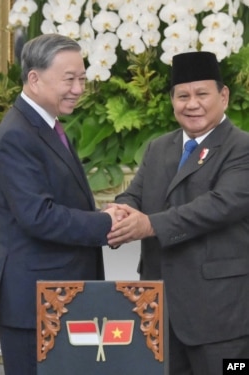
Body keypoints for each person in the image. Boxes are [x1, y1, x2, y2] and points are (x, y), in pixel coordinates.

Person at [108, 51, 249, 375]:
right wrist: (118, 212)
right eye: (183, 95)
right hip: (160, 311)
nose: (192, 104)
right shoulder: (159, 147)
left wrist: (148, 225)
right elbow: (135, 194)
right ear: (172, 100)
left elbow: (218, 206)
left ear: (223, 96)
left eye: (202, 94)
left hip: (222, 318)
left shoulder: (241, 147)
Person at [0, 34, 123, 375]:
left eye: (82, 79)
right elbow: (38, 216)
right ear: (34, 78)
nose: (79, 88)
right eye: (69, 79)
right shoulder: (17, 135)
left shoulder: (45, 125)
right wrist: (105, 224)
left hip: (58, 298)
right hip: (36, 305)